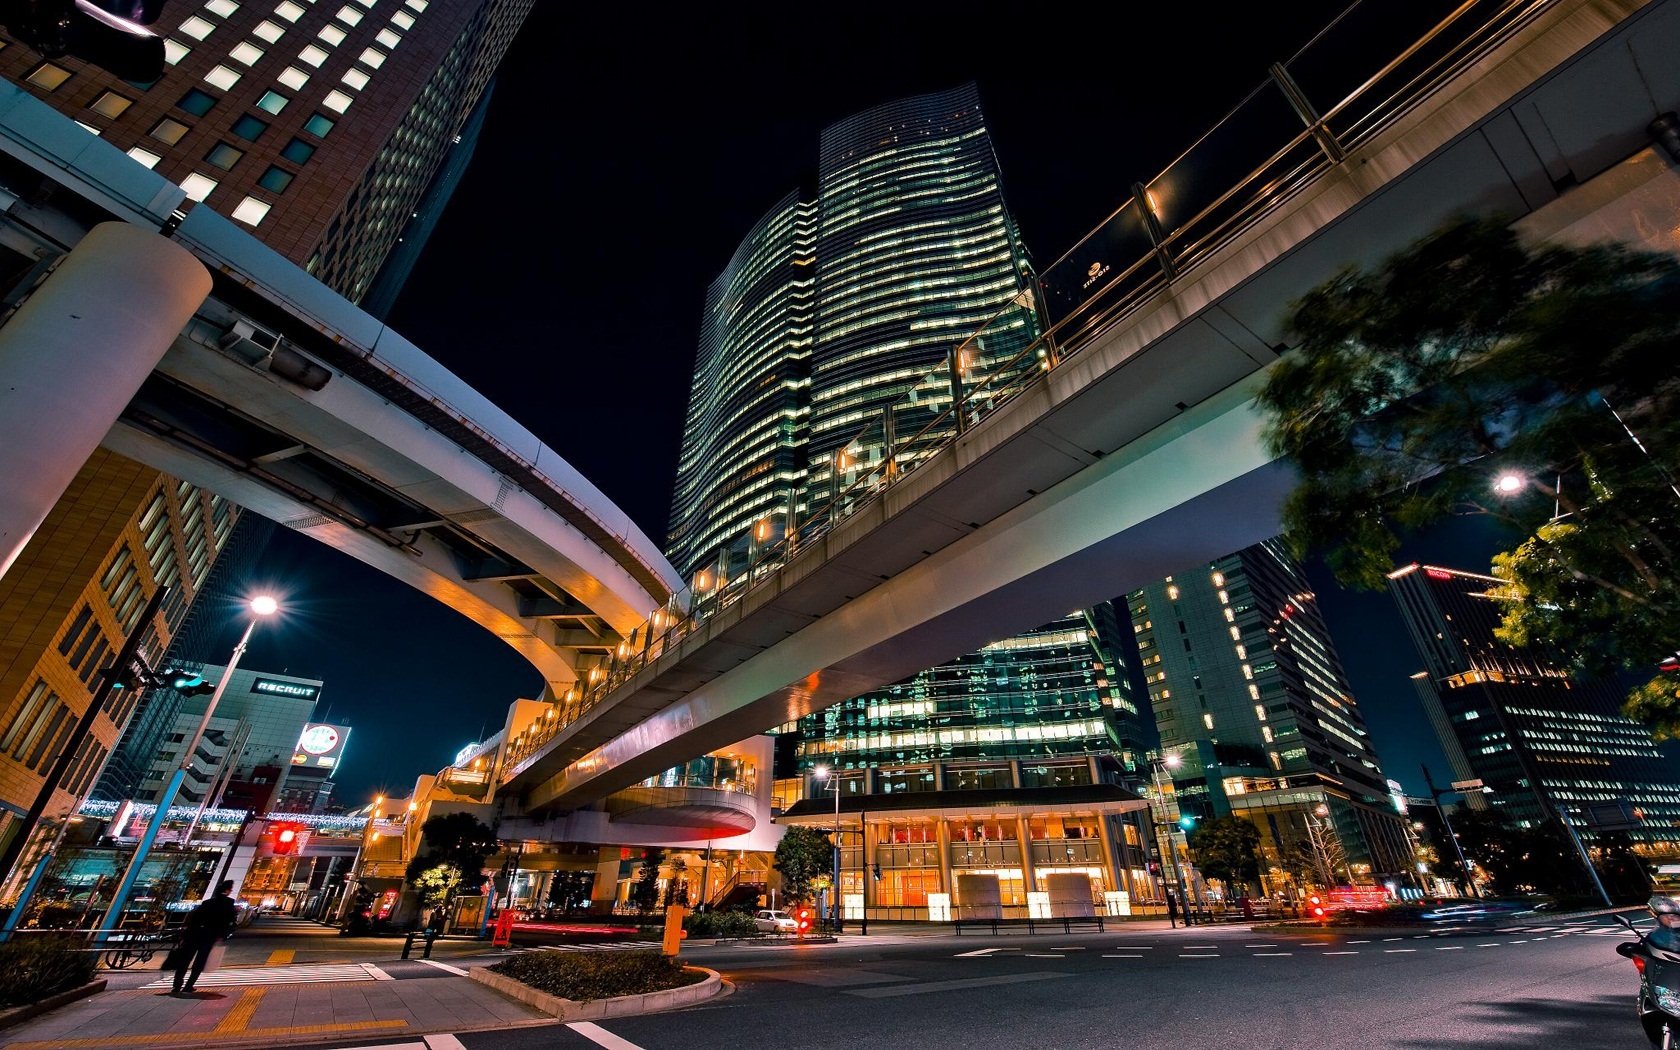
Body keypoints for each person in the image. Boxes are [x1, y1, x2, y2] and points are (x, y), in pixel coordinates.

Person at [171, 880, 238, 996]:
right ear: (227, 891)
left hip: (194, 934)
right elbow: (230, 921)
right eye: (230, 890)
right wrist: (223, 935)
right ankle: (188, 985)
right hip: (210, 936)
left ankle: (177, 985)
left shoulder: (207, 903)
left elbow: (194, 918)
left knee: (185, 959)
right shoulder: (228, 903)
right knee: (200, 961)